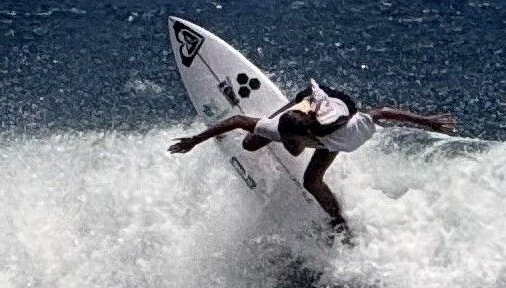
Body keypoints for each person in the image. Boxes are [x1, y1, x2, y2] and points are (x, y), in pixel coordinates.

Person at [169, 79, 456, 233]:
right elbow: (236, 119)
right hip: (309, 108)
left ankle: (338, 220)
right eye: (286, 141)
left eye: (293, 144)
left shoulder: (349, 132)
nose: (290, 149)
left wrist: (428, 121)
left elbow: (382, 113)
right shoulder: (287, 130)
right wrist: (195, 140)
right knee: (250, 142)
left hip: (335, 104)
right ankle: (289, 108)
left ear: (308, 140)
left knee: (311, 180)